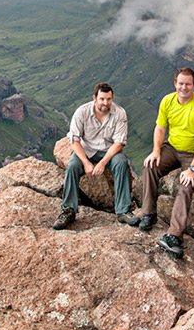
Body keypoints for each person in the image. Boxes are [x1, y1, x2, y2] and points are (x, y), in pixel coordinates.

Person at [139, 67, 194, 258]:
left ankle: (174, 235)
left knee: (186, 184)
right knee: (150, 166)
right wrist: (156, 150)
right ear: (175, 84)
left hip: (193, 153)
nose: (184, 87)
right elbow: (160, 128)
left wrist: (192, 169)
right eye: (180, 83)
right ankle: (148, 213)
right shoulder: (167, 100)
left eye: (188, 84)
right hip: (172, 148)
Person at [53, 82, 138, 230]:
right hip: (86, 150)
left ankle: (123, 210)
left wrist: (103, 163)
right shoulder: (82, 112)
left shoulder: (119, 113)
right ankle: (68, 210)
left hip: (109, 151)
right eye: (102, 99)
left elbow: (119, 143)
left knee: (121, 163)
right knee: (72, 166)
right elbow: (74, 141)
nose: (106, 103)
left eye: (109, 99)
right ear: (95, 98)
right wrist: (86, 163)